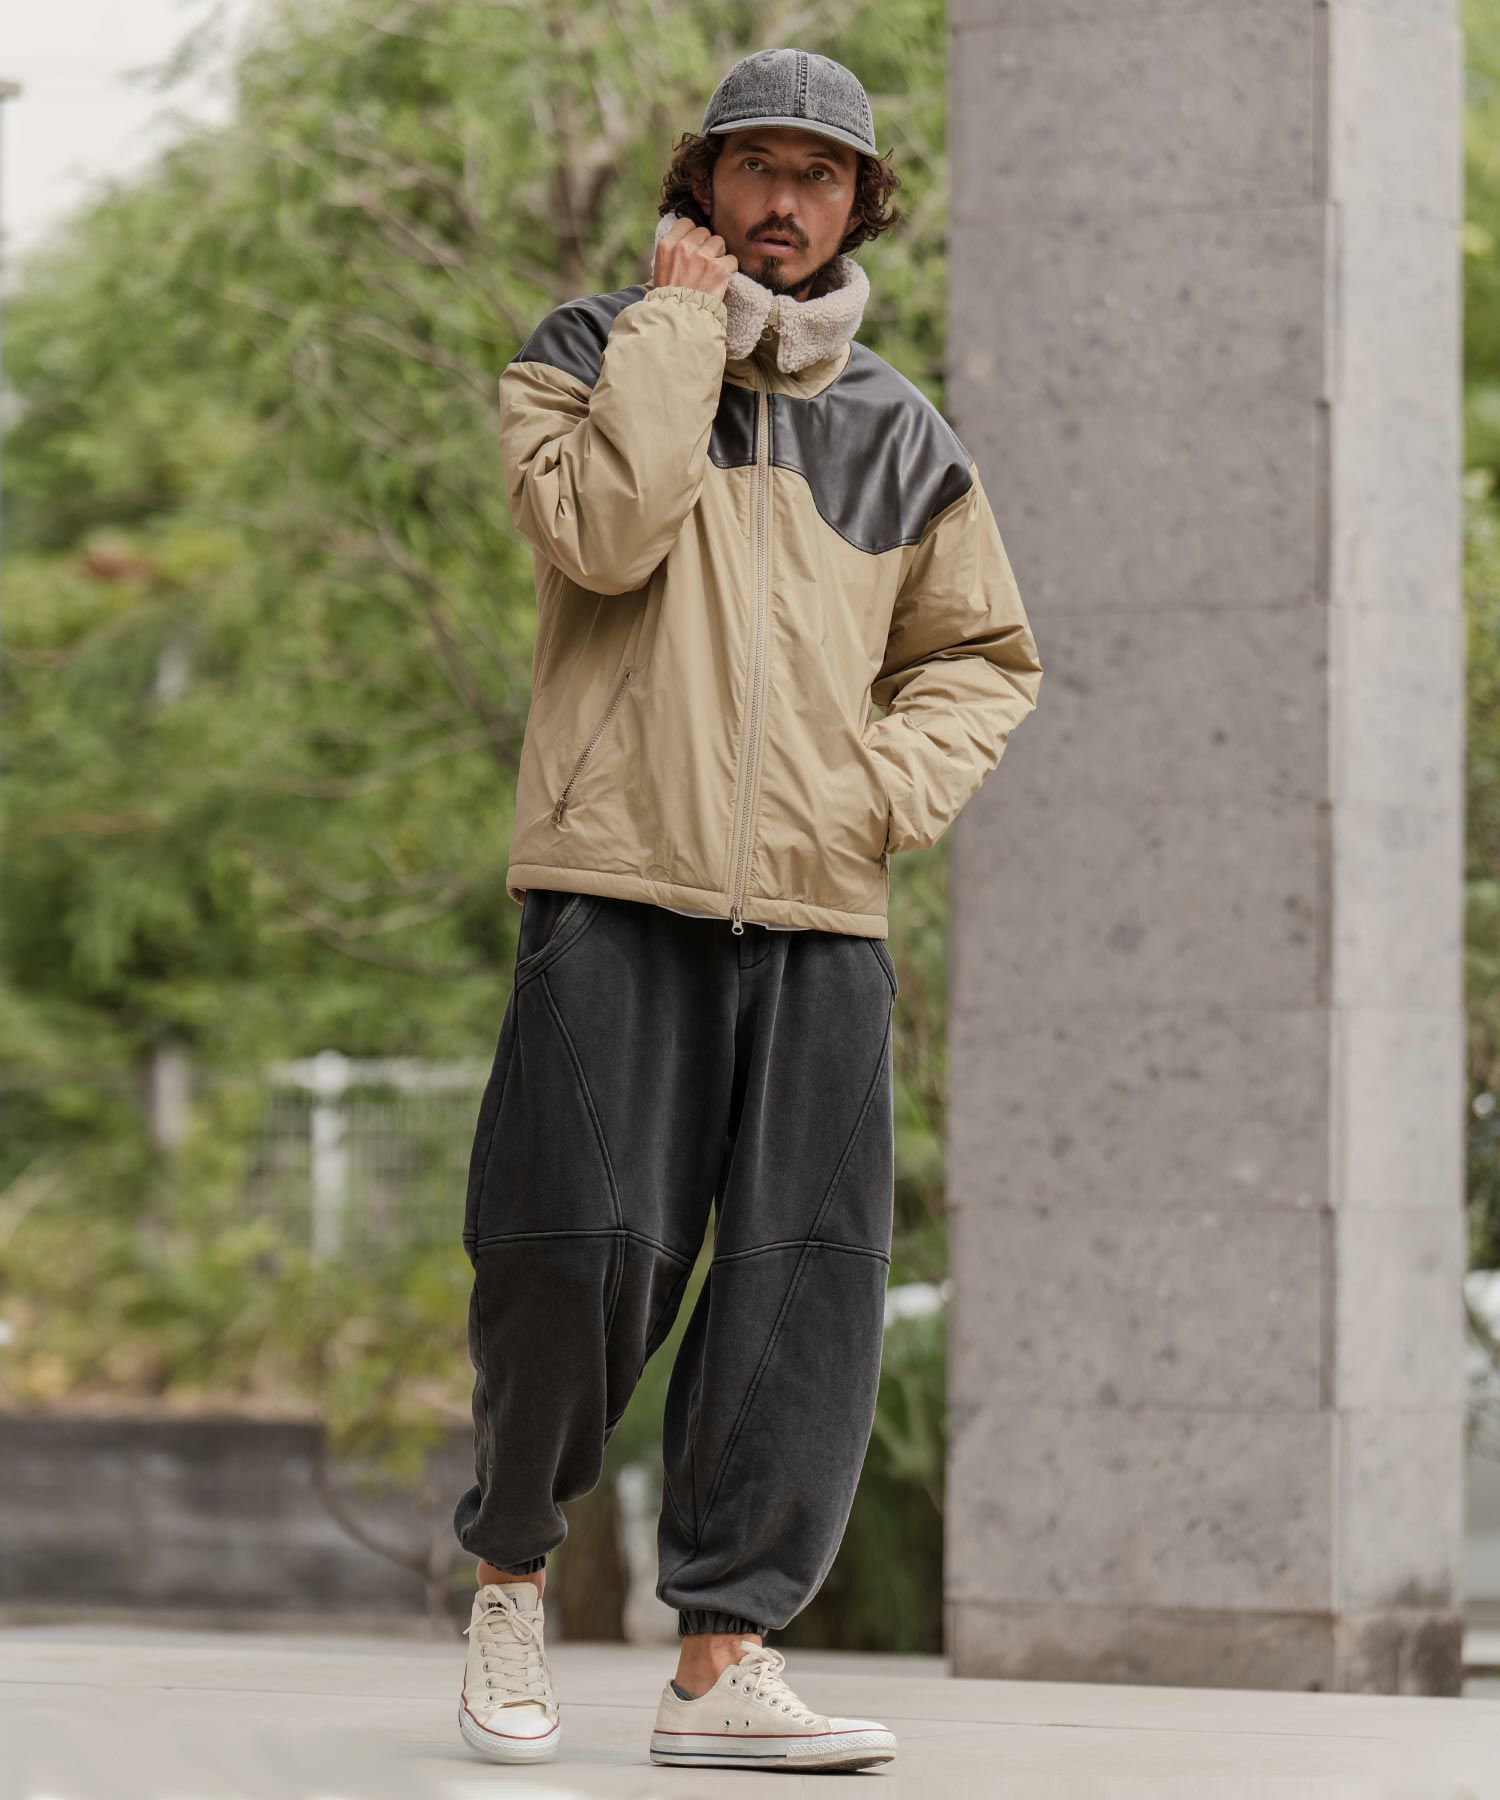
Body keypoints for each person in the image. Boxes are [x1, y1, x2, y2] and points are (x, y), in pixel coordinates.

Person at [453, 45, 1042, 1773]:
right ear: (701, 184)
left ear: (862, 204)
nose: (786, 201)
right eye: (757, 167)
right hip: (613, 885)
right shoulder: (583, 354)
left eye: (820, 174)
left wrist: (879, 791)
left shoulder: (902, 431)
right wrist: (674, 329)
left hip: (821, 917)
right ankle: (509, 1581)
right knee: (571, 1251)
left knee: (804, 1286)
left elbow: (982, 657)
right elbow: (605, 535)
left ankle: (724, 1661)